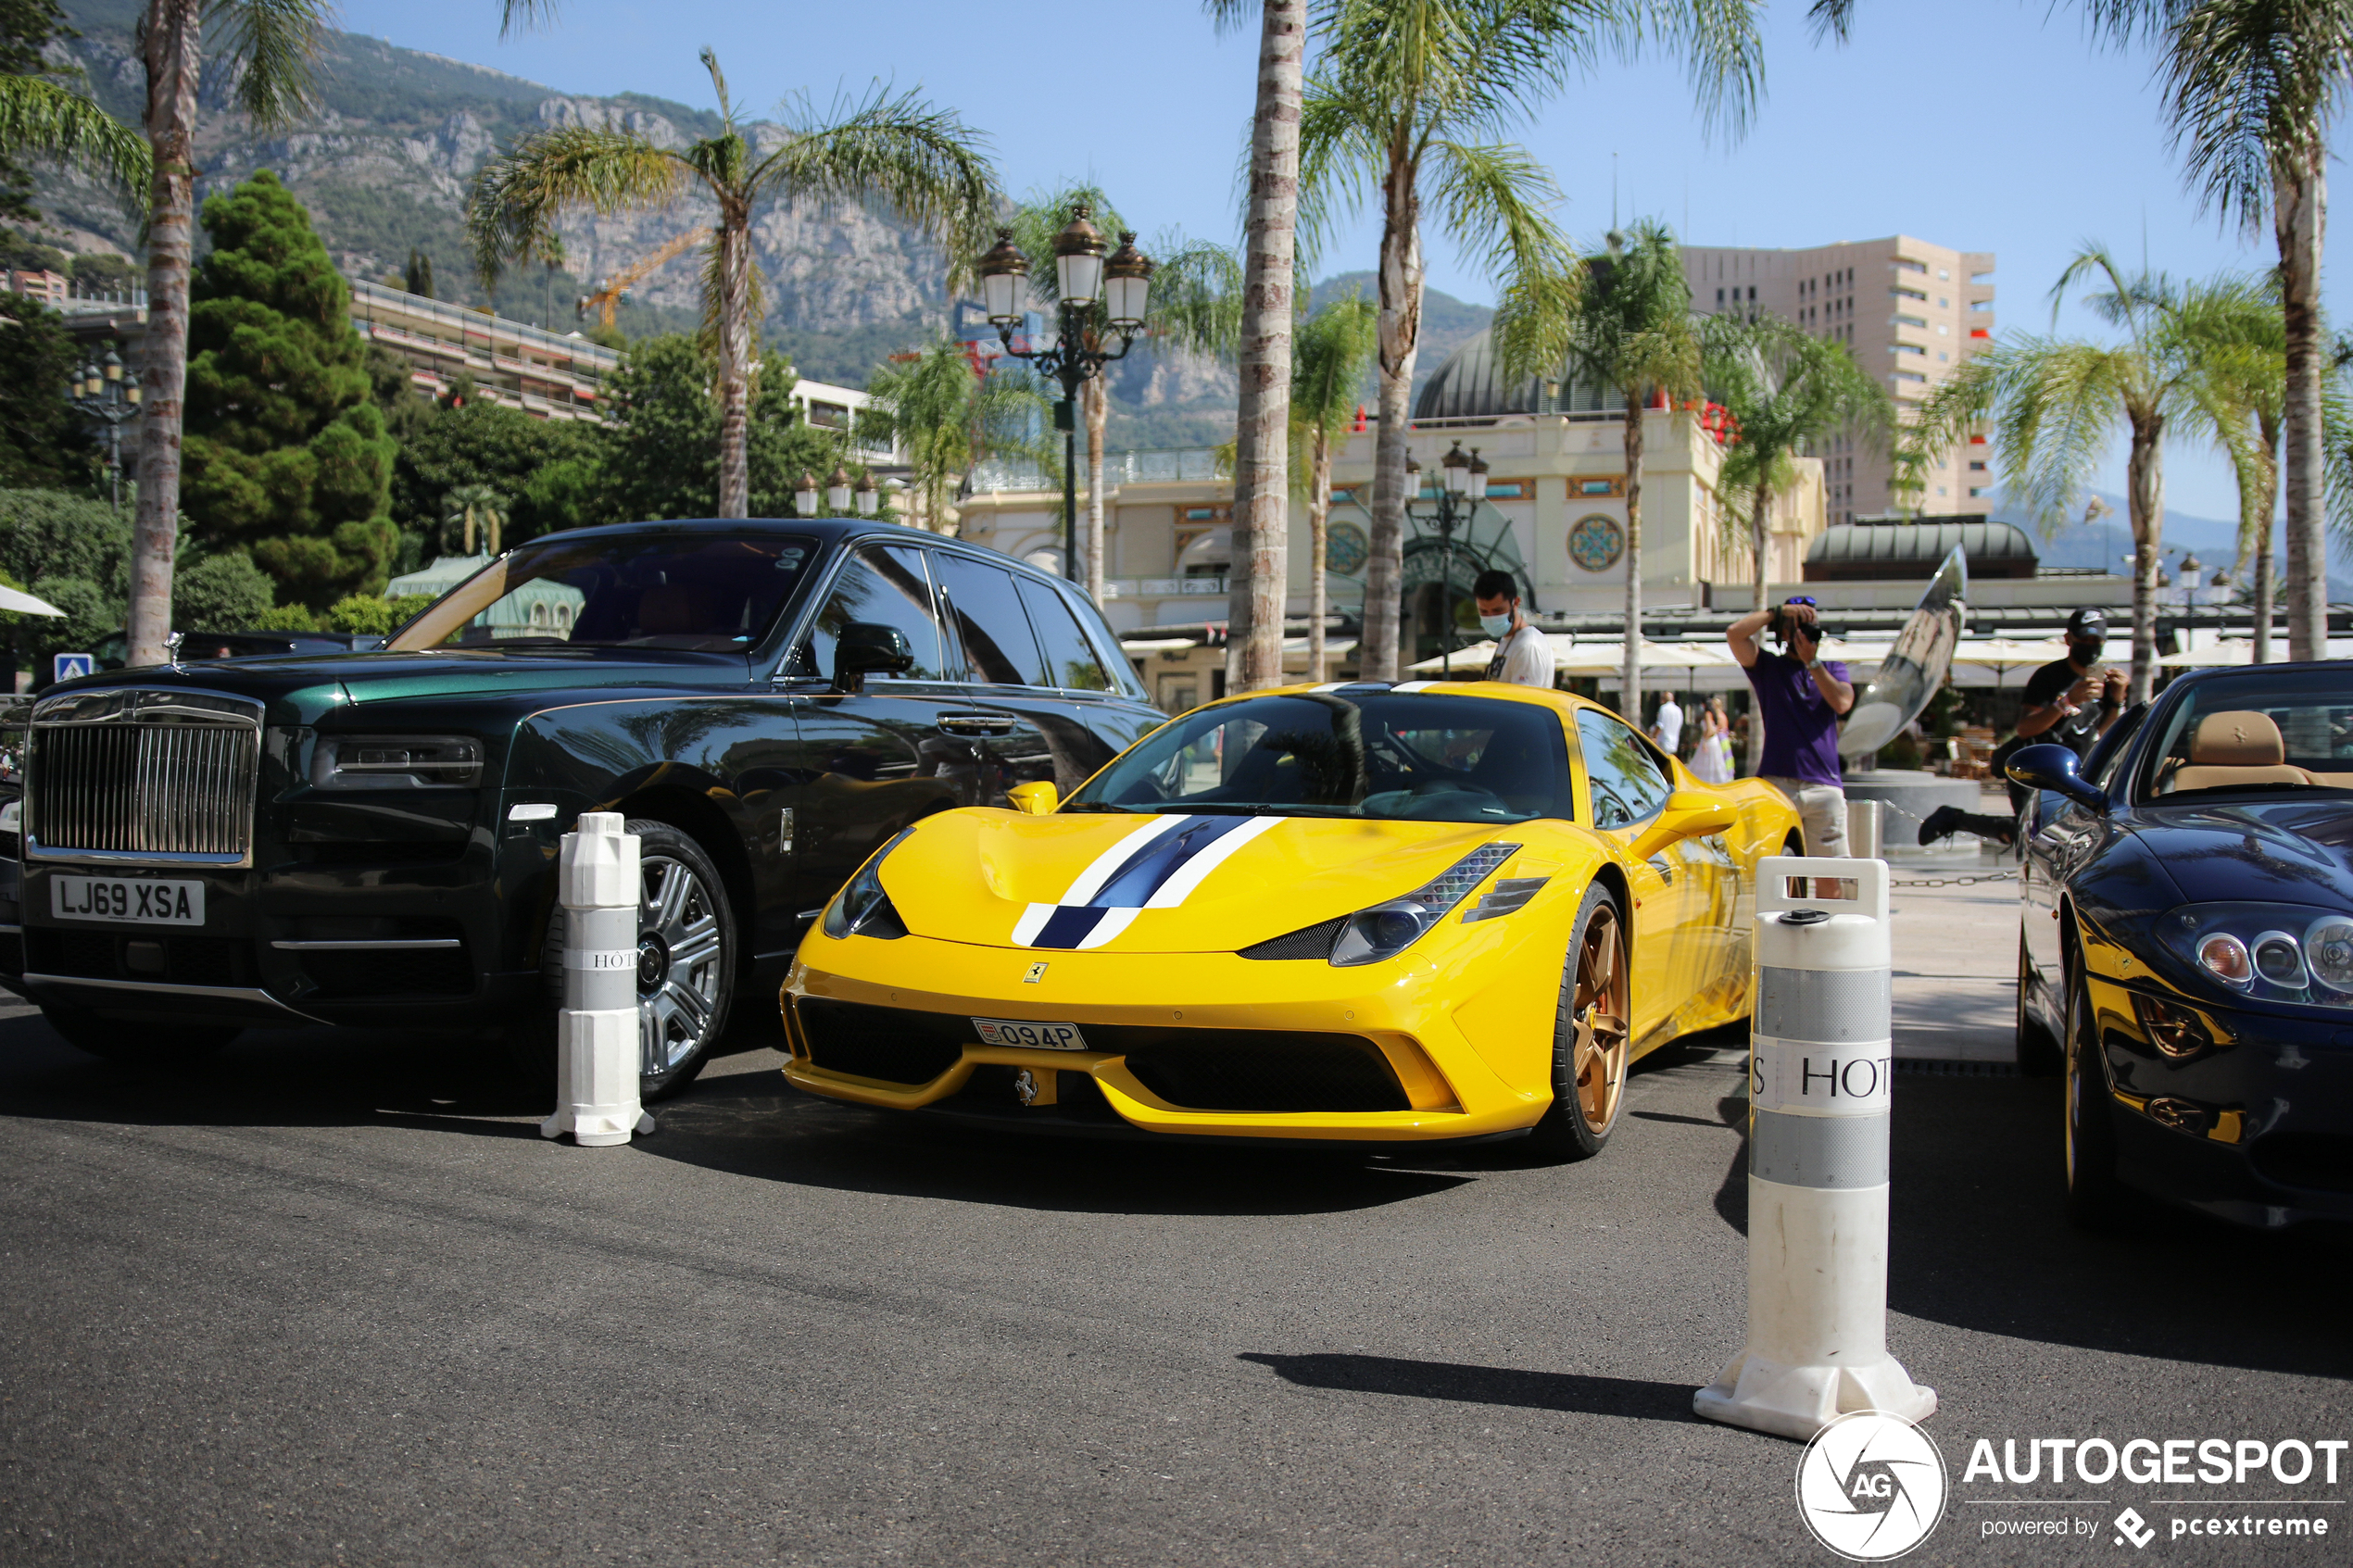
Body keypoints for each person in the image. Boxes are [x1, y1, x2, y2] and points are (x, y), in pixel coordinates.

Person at [1921, 607, 2127, 847]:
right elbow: (2026, 728)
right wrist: (2067, 701)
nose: (2091, 645)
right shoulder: (2049, 676)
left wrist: (2117, 698)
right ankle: (1956, 819)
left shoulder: (2104, 681)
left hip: (2076, 773)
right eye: (2085, 638)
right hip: (2035, 768)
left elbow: (2103, 733)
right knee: (2034, 834)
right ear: (2069, 639)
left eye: (2097, 640)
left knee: (2053, 837)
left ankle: (1956, 819)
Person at [1728, 594, 1856, 856]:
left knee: (1831, 877)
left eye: (1809, 624)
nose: (1803, 632)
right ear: (1782, 632)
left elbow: (1842, 703)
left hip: (1824, 785)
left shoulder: (1832, 668)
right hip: (1778, 784)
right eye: (1795, 625)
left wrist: (1813, 663)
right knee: (1776, 873)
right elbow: (1734, 634)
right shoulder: (1769, 667)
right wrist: (1777, 613)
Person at [1473, 569, 1554, 687]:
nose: (1491, 617)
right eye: (1483, 611)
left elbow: (1524, 702)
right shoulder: (1508, 640)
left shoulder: (1528, 646)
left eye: (1498, 610)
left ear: (1515, 603)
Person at [1690, 696, 1735, 784]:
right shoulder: (1715, 715)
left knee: (1706, 762)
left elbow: (1710, 730)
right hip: (1713, 740)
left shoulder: (1708, 714)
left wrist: (1704, 741)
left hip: (1710, 740)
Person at [1650, 692, 1684, 756]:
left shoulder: (1663, 708)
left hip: (1663, 741)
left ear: (1663, 700)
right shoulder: (1678, 710)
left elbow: (1660, 726)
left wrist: (1654, 737)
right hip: (1674, 742)